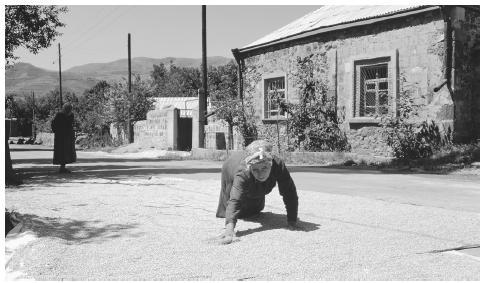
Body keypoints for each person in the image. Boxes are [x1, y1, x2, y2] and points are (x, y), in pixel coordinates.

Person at [215, 140, 299, 244]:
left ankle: (252, 205)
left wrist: (292, 221)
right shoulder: (243, 171)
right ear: (250, 167)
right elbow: (235, 200)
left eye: (264, 168)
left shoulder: (278, 165)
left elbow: (289, 193)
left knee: (255, 210)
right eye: (256, 170)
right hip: (230, 167)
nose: (261, 173)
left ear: (271, 164)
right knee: (237, 209)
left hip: (254, 178)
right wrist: (229, 230)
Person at [51, 103, 77, 173]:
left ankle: (63, 167)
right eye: (68, 109)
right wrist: (57, 131)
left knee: (65, 151)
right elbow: (54, 124)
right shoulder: (60, 115)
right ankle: (62, 167)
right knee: (62, 151)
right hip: (62, 136)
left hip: (66, 136)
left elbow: (54, 124)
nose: (69, 110)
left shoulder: (70, 115)